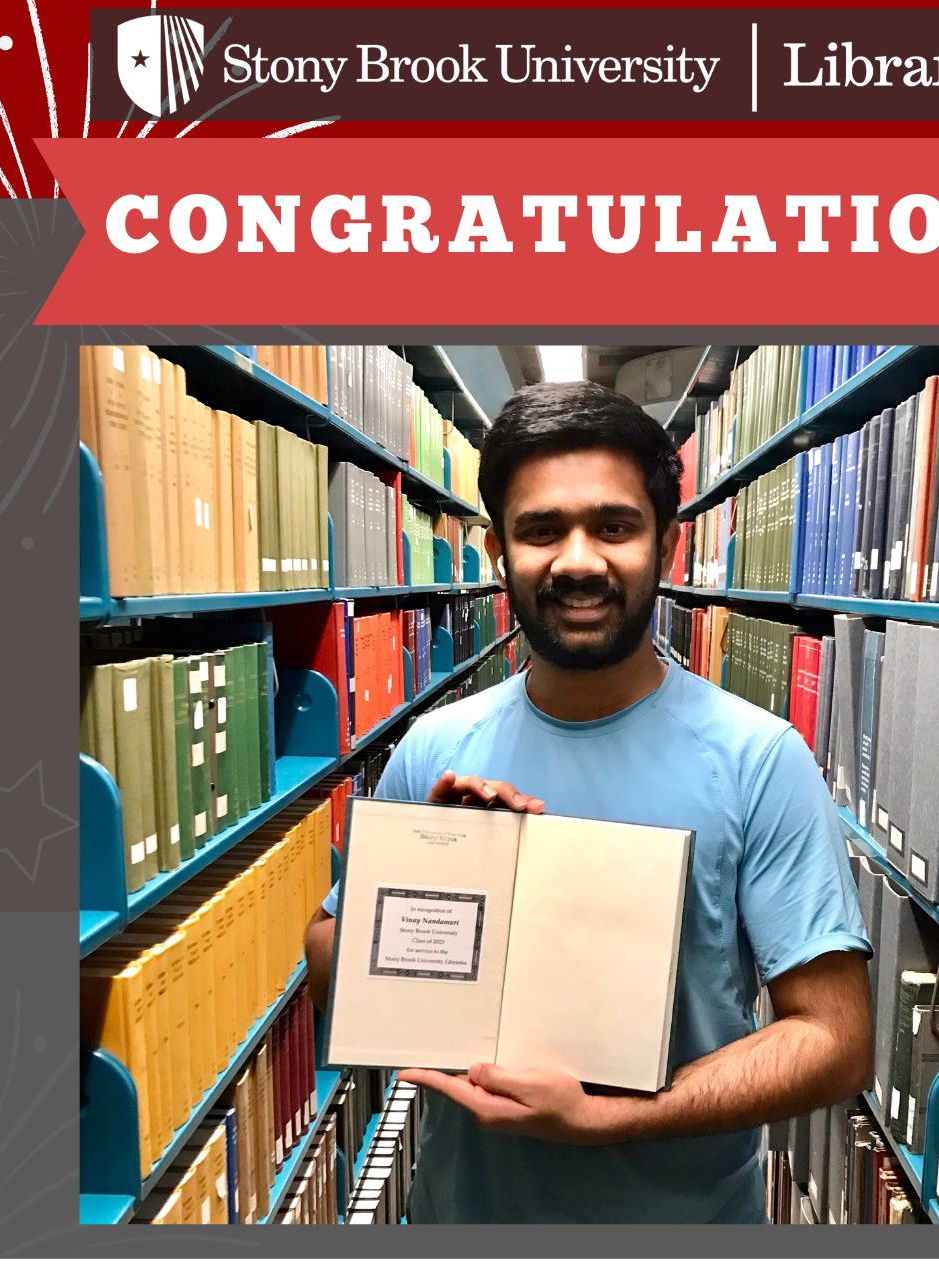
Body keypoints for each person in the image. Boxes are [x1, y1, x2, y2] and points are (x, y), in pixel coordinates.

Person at [305, 379, 872, 1223]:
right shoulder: (435, 749)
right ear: (498, 552)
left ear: (666, 547)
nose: (577, 560)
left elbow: (833, 1039)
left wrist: (612, 1119)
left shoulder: (758, 760)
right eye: (541, 530)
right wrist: (431, 883)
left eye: (613, 526)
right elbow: (329, 976)